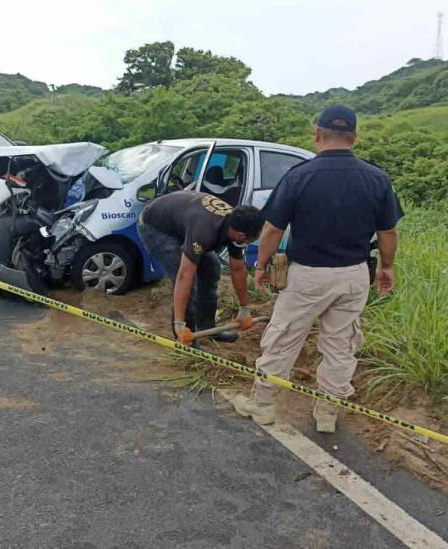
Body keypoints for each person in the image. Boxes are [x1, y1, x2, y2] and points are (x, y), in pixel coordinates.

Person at [232, 104, 403, 433]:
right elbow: (388, 232)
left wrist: (262, 265)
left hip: (307, 276)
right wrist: (387, 267)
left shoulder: (299, 175)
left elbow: (272, 230)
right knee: (341, 346)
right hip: (354, 275)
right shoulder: (377, 178)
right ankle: (327, 414)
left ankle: (264, 404)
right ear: (354, 137)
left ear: (317, 134)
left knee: (282, 338)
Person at [137, 191, 264, 344]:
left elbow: (238, 269)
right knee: (189, 283)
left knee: (212, 269)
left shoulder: (235, 226)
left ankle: (207, 328)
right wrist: (179, 323)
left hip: (183, 223)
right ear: (241, 236)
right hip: (156, 226)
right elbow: (184, 276)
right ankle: (186, 339)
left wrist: (244, 309)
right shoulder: (205, 231)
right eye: (250, 240)